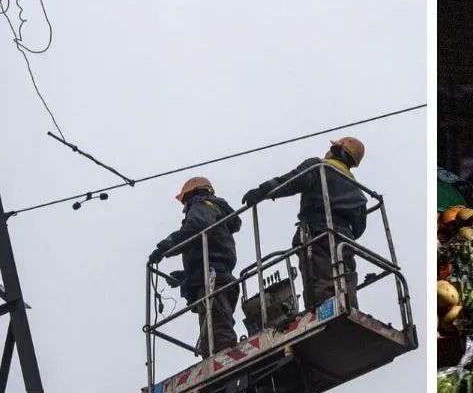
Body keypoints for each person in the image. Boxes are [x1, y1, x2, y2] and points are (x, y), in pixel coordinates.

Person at [241, 137, 368, 311]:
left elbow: (292, 181)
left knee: (319, 278)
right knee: (345, 276)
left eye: (333, 147)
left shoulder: (319, 167)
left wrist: (263, 191)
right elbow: (360, 227)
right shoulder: (357, 189)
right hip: (345, 239)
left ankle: (324, 313)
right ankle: (349, 310)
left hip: (317, 232)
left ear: (339, 151)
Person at [150, 177, 243, 357]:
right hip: (217, 278)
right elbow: (212, 252)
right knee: (213, 337)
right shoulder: (216, 213)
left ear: (194, 193)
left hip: (213, 282)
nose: (184, 208)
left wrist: (166, 246)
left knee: (219, 340)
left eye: (185, 202)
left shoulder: (202, 205)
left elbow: (196, 227)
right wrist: (186, 276)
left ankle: (225, 368)